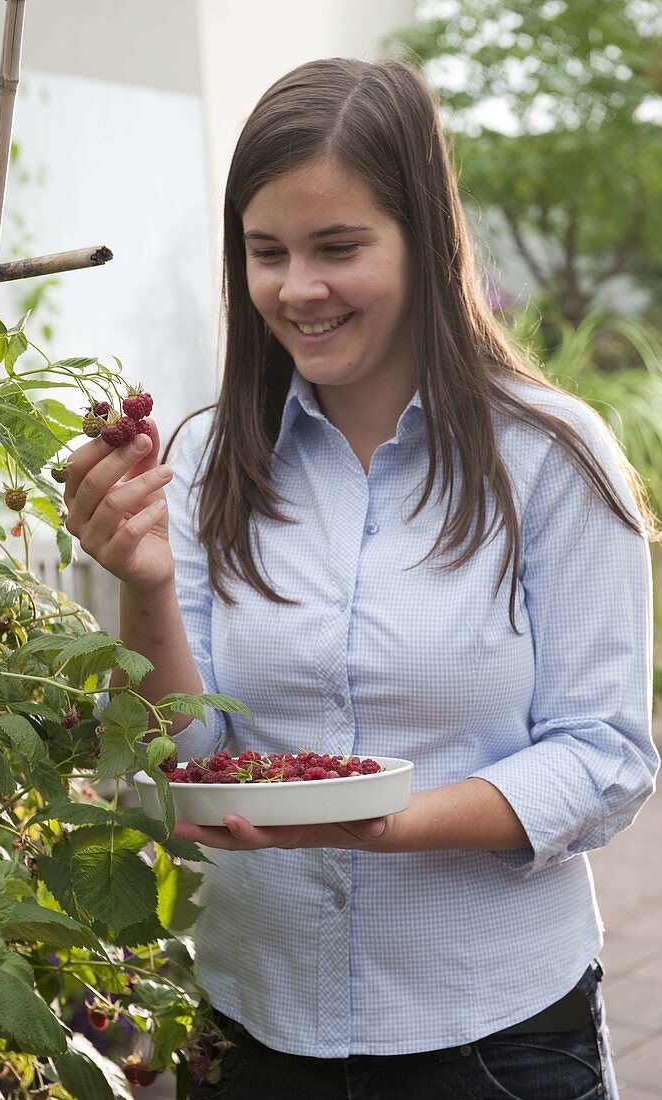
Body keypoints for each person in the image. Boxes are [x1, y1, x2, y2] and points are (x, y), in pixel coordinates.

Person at [64, 58, 659, 1100]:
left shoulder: (554, 458)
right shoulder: (203, 463)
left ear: (426, 242)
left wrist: (390, 819)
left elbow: (605, 753)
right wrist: (144, 582)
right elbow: (185, 758)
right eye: (267, 251)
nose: (298, 287)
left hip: (494, 1034)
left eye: (338, 246)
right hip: (258, 1022)